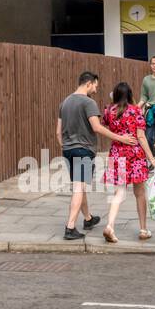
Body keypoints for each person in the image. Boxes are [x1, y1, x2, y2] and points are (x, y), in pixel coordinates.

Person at [57, 71, 137, 240]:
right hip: (83, 150)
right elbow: (97, 127)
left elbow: (58, 132)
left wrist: (66, 146)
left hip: (68, 150)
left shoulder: (65, 102)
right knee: (79, 188)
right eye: (95, 85)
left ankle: (88, 219)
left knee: (80, 185)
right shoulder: (88, 103)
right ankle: (70, 227)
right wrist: (121, 138)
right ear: (89, 83)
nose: (95, 89)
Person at [102, 81, 155, 243]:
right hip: (135, 155)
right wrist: (152, 158)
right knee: (140, 193)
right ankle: (143, 229)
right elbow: (141, 137)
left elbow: (105, 125)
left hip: (116, 154)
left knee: (119, 193)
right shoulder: (135, 111)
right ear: (130, 95)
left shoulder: (108, 110)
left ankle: (109, 225)